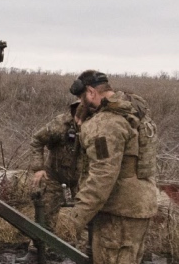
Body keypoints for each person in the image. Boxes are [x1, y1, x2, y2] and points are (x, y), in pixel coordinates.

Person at [65, 70, 158, 264]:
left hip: (117, 215)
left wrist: (74, 219)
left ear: (91, 92)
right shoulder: (132, 112)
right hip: (138, 208)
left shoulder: (106, 124)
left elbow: (102, 176)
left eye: (82, 98)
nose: (82, 104)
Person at [17, 101, 82, 262]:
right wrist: (38, 168)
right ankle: (35, 252)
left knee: (87, 217)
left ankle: (84, 255)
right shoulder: (60, 125)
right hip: (54, 175)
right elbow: (37, 140)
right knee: (44, 214)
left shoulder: (97, 125)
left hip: (83, 177)